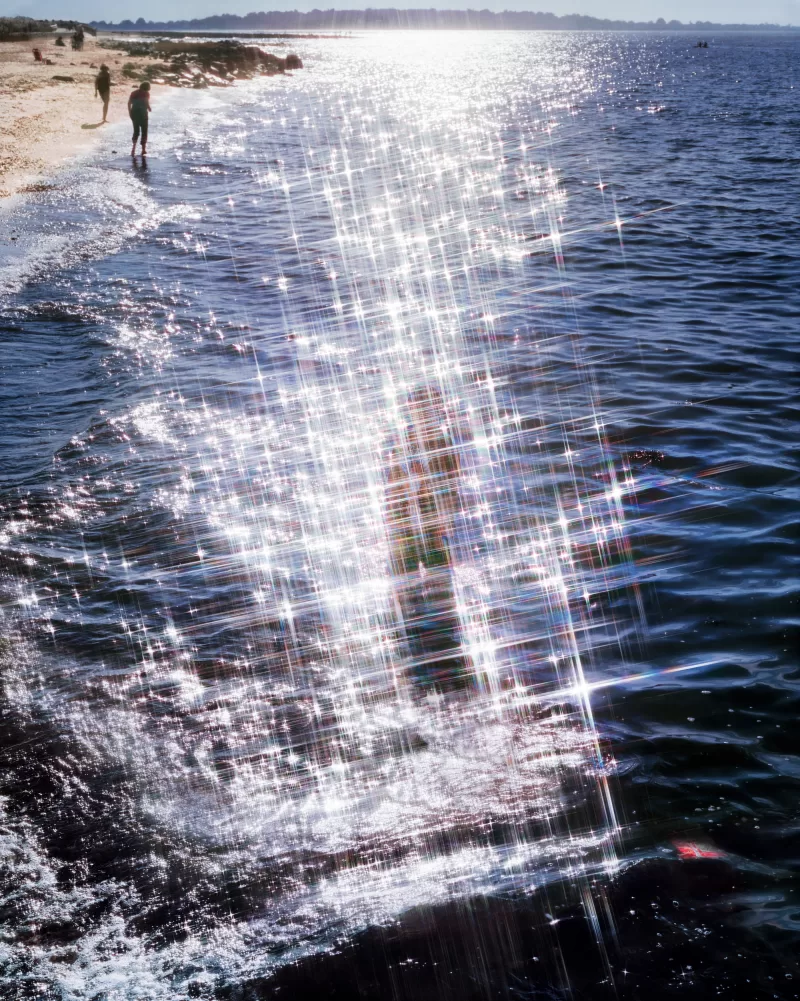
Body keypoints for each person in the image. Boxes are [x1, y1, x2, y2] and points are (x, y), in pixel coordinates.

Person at [128, 80, 151, 156]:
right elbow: (146, 103)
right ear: (147, 88)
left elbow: (129, 103)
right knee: (144, 131)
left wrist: (130, 112)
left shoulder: (134, 93)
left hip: (134, 113)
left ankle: (133, 149)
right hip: (143, 114)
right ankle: (143, 150)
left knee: (136, 131)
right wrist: (149, 108)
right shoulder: (146, 94)